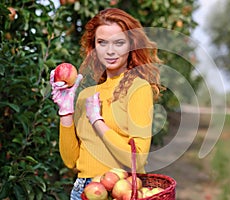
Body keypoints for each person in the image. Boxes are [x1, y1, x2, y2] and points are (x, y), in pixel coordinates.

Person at [50, 8, 162, 199]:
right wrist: (66, 112)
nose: (110, 51)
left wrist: (97, 121)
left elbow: (138, 159)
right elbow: (71, 161)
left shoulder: (137, 88)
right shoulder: (86, 95)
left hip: (120, 191)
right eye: (102, 42)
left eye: (119, 42)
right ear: (93, 47)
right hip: (82, 191)